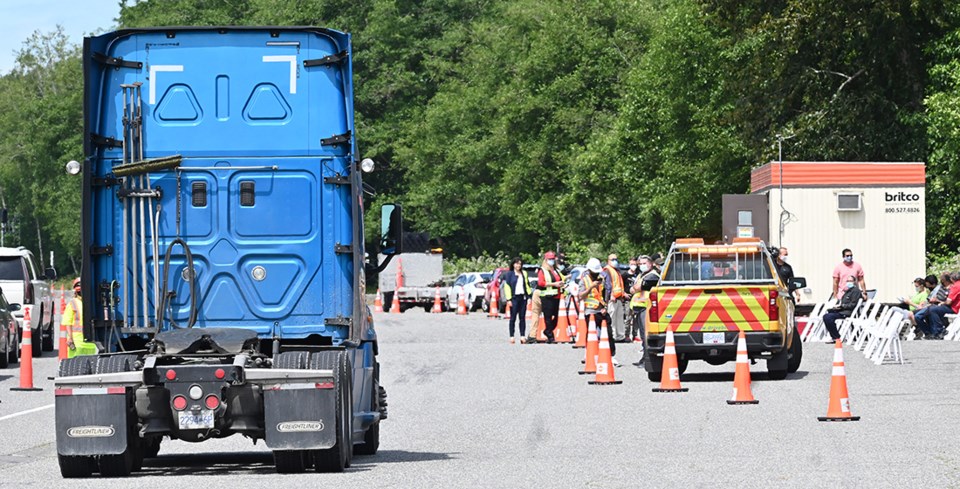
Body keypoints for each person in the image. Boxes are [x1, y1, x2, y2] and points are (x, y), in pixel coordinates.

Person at [578, 258, 619, 366]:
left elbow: (605, 293)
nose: (596, 274)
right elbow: (580, 296)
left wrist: (605, 306)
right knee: (591, 335)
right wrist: (591, 287)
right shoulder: (584, 280)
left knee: (609, 333)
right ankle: (589, 354)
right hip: (590, 312)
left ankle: (611, 355)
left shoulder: (602, 279)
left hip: (602, 310)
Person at [915, 272, 958, 339]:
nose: (940, 279)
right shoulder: (941, 287)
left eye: (941, 278)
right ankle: (930, 333)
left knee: (930, 310)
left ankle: (936, 332)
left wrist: (938, 301)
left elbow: (948, 302)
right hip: (933, 305)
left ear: (945, 279)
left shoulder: (952, 288)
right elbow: (932, 298)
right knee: (918, 315)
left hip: (942, 306)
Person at [62, 277, 98, 358]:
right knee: (74, 366)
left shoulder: (90, 304)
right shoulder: (72, 304)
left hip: (89, 344)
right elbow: (68, 323)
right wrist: (70, 338)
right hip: (77, 343)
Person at [821, 275, 863, 342]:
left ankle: (836, 337)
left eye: (850, 281)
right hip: (842, 310)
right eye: (847, 281)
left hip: (847, 313)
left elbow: (853, 305)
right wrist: (838, 307)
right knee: (828, 313)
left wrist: (842, 306)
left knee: (828, 317)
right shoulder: (848, 291)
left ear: (854, 282)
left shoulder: (855, 291)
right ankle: (834, 336)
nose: (848, 282)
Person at [629, 255, 659, 344]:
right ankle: (645, 353)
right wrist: (635, 287)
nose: (642, 265)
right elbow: (632, 289)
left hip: (647, 307)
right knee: (642, 333)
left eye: (644, 263)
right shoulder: (641, 275)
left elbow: (637, 287)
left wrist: (636, 287)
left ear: (650, 264)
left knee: (646, 332)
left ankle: (647, 356)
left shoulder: (652, 275)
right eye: (640, 264)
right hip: (639, 307)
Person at [501, 257, 531, 344]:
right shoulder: (509, 274)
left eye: (520, 264)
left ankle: (522, 336)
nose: (518, 265)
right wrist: (509, 299)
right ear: (513, 264)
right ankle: (512, 336)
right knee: (513, 318)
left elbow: (527, 285)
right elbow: (507, 287)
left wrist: (529, 297)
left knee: (522, 318)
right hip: (514, 298)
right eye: (517, 263)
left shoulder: (524, 273)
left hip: (523, 297)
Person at [537, 251, 565, 344]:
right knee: (548, 317)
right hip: (546, 296)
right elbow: (541, 283)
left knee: (556, 317)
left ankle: (547, 331)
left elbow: (562, 278)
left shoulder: (556, 270)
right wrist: (554, 284)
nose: (552, 261)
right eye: (550, 259)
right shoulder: (542, 270)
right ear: (546, 260)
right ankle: (550, 336)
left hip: (556, 296)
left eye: (553, 259)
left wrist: (563, 283)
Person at [601, 253, 628, 342]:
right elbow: (607, 285)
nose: (615, 261)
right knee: (612, 318)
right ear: (608, 261)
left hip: (619, 298)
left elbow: (619, 285)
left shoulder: (616, 271)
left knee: (619, 318)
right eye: (612, 259)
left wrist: (623, 294)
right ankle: (612, 336)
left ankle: (620, 336)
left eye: (616, 259)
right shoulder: (606, 270)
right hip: (612, 299)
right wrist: (610, 295)